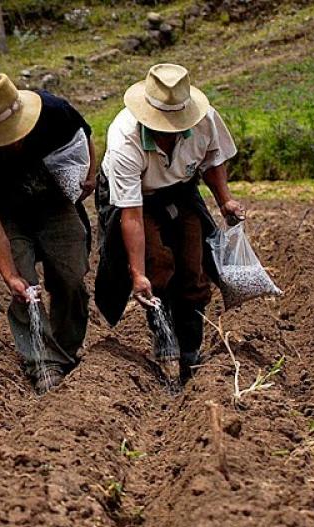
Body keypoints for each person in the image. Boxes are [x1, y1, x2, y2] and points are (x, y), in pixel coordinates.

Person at [95, 63, 245, 383]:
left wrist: (224, 200)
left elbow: (212, 159)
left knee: (194, 268)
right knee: (157, 264)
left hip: (180, 189)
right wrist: (137, 274)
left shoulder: (205, 120)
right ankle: (164, 337)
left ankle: (190, 350)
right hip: (137, 198)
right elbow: (132, 216)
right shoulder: (125, 138)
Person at [0, 73, 96, 394]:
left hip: (56, 203)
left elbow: (83, 136)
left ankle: (64, 350)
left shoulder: (54, 111)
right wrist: (9, 276)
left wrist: (88, 175)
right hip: (10, 216)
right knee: (25, 288)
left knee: (72, 277)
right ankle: (41, 362)